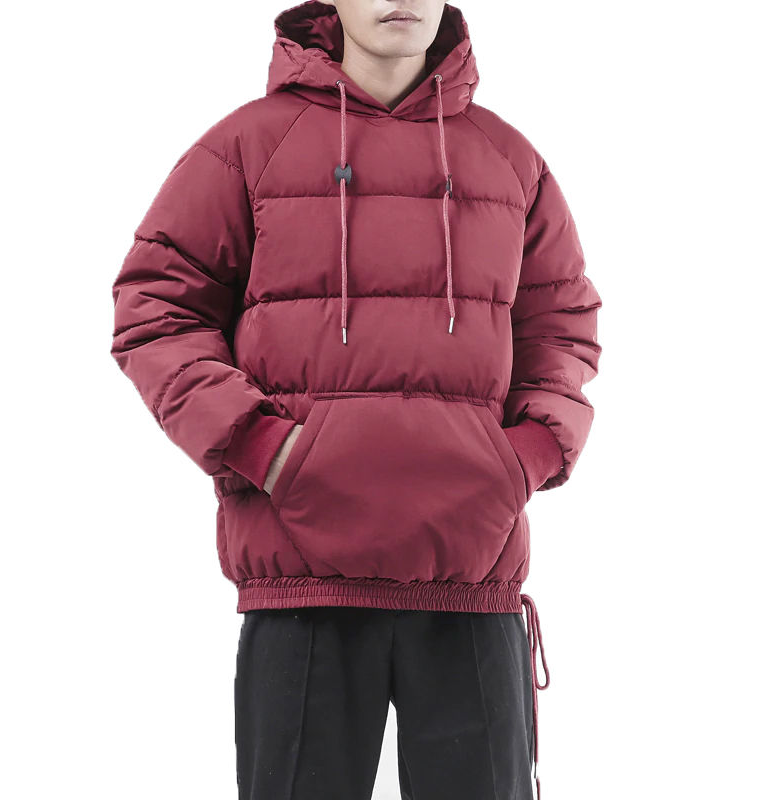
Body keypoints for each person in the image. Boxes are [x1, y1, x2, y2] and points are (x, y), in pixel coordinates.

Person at [109, 1, 602, 797]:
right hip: (303, 573)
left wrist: (529, 454)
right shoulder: (245, 147)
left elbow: (563, 325)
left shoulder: (510, 160)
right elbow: (155, 308)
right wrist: (259, 447)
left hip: (471, 573)